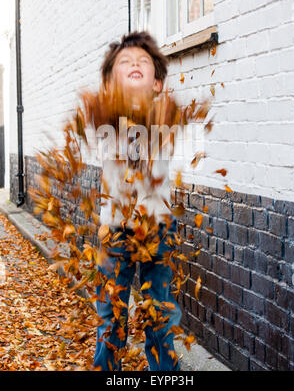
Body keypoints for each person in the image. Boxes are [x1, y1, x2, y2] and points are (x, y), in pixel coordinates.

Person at [93, 31, 182, 371]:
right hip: (115, 229)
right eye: (124, 63)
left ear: (157, 83)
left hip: (157, 227)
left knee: (159, 316)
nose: (133, 64)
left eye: (141, 62)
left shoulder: (162, 117)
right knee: (110, 319)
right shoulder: (107, 118)